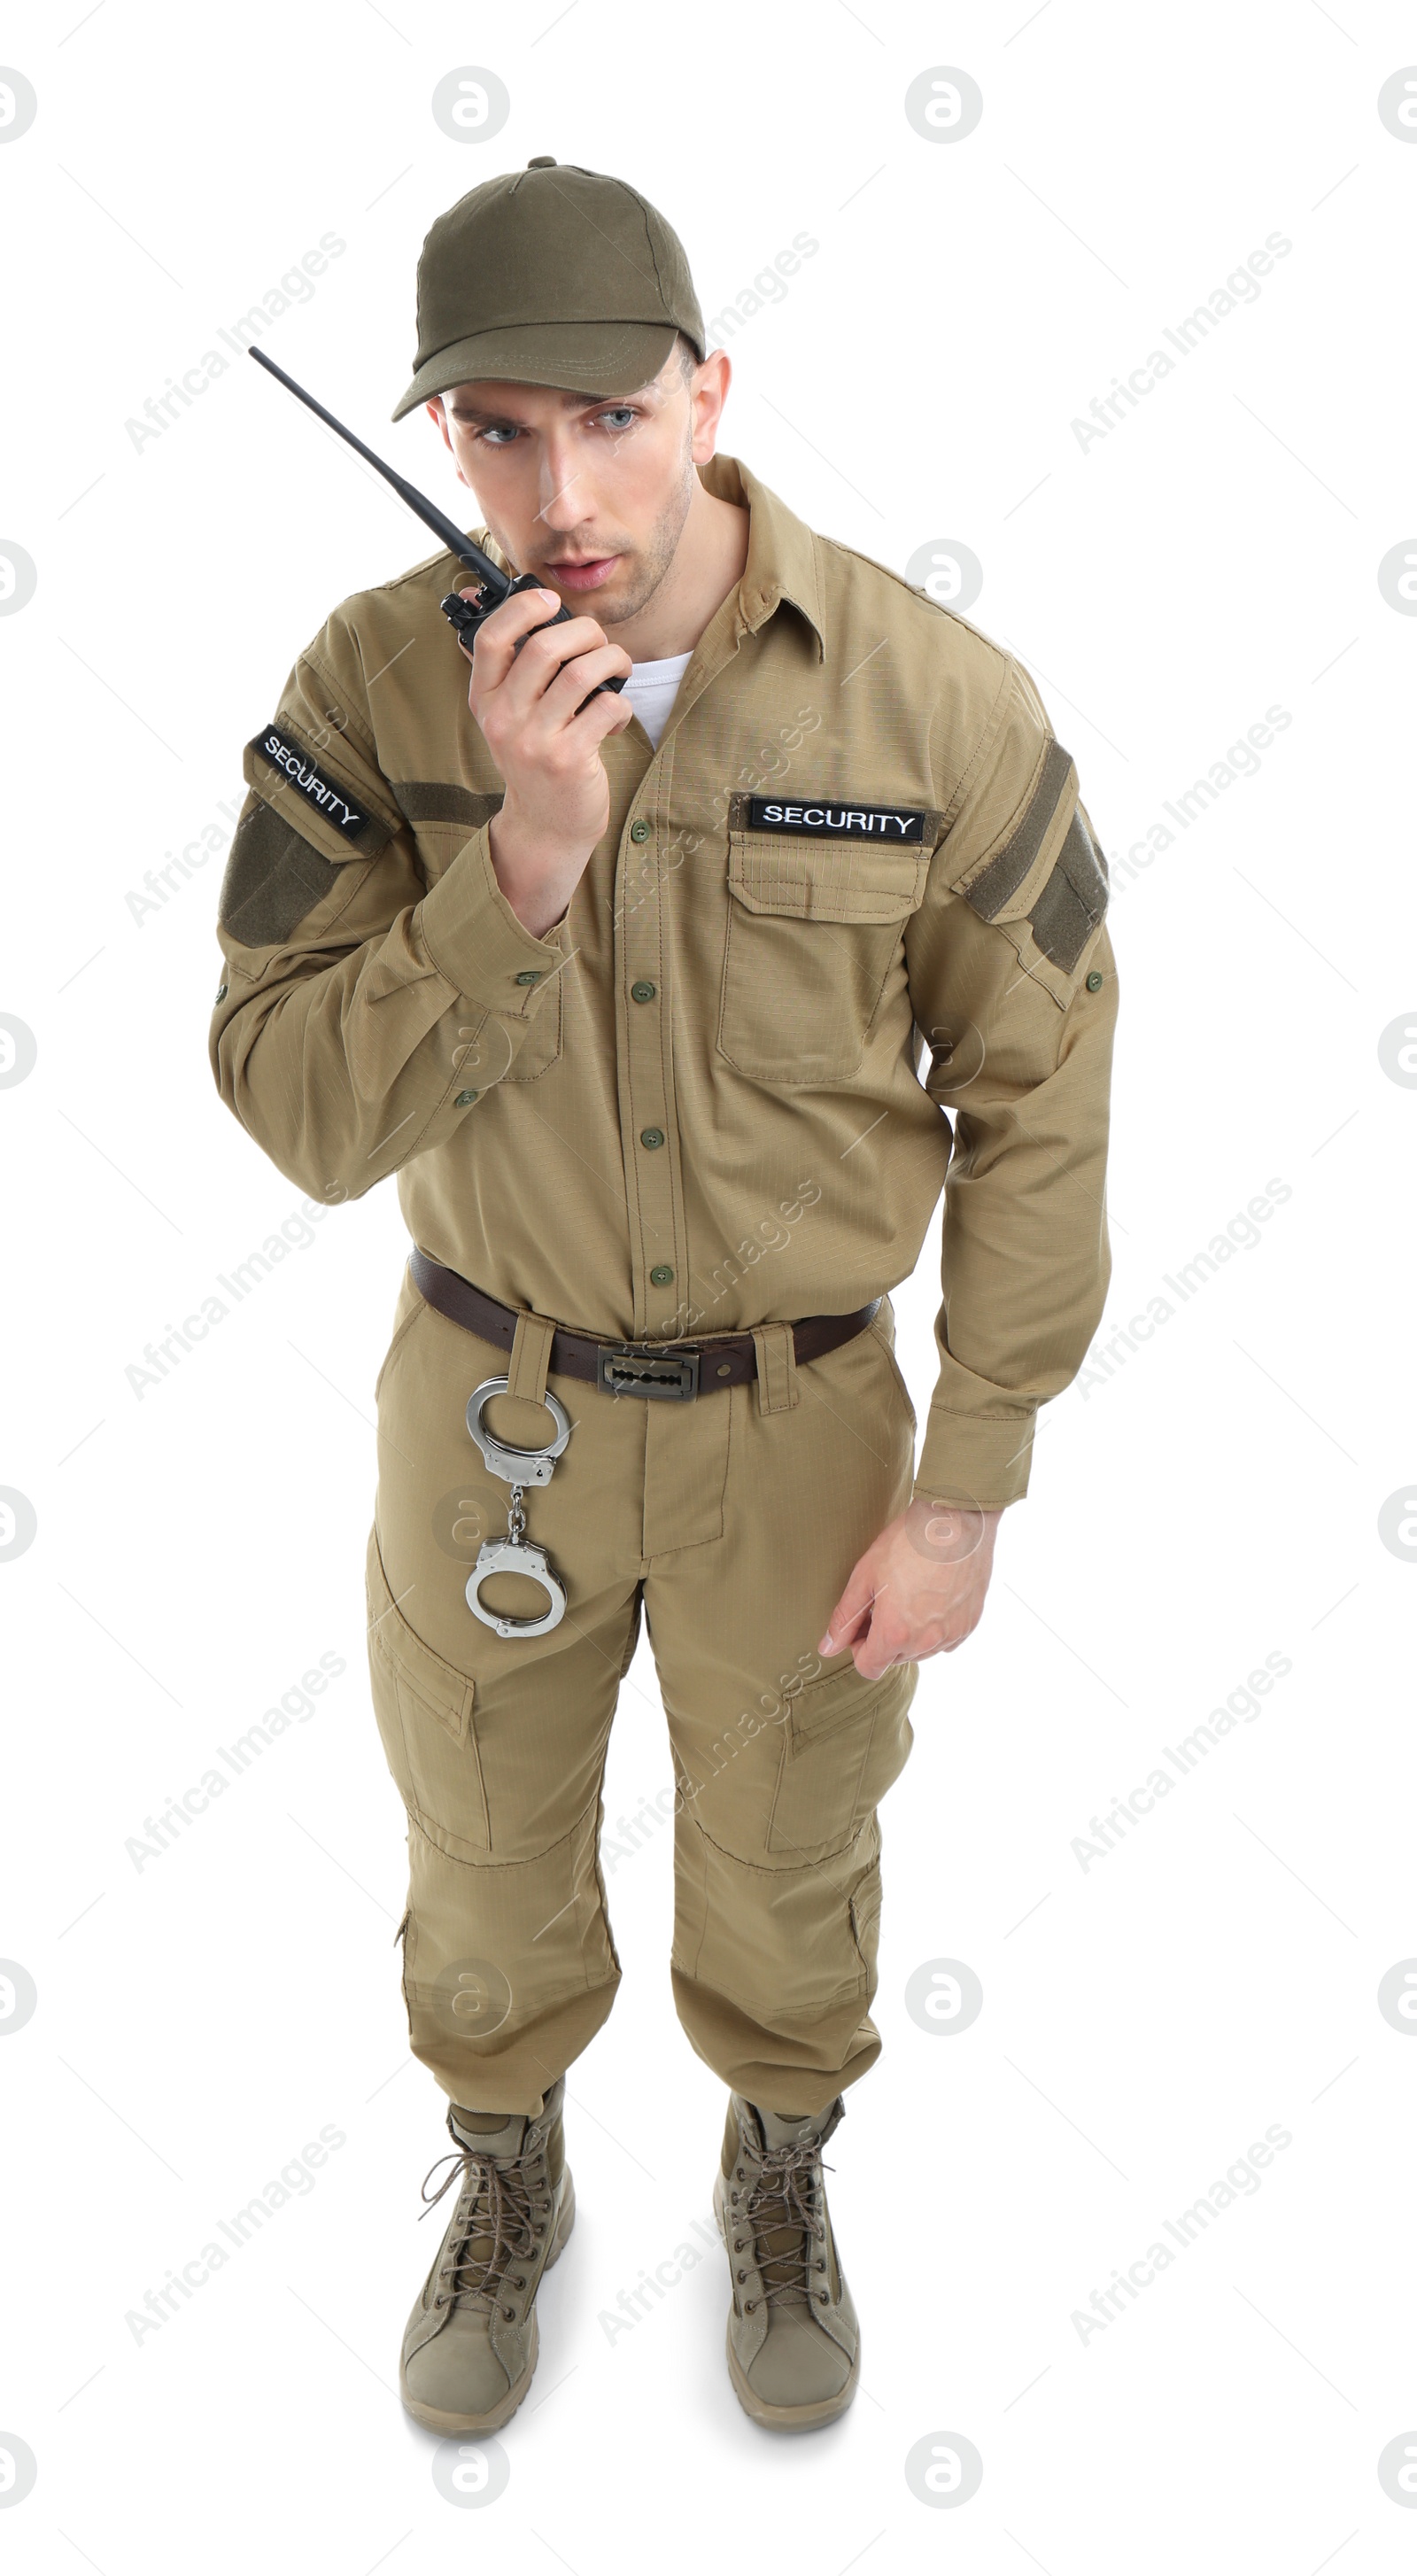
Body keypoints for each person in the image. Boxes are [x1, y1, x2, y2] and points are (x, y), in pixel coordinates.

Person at [208, 155, 1118, 2439]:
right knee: (484, 1837)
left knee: (796, 1831)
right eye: (496, 432)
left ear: (711, 387)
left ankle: (780, 2152)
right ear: (441, 439)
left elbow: (1047, 1106)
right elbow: (290, 1105)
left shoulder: (935, 705)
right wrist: (515, 858)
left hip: (804, 1426)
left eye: (609, 418)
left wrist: (972, 1483)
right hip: (486, 1389)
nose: (559, 492)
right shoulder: (371, 684)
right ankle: (504, 2163)